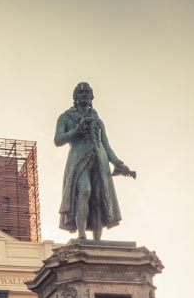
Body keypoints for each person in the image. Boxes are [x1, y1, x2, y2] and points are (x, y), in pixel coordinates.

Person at [55, 82, 135, 241]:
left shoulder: (98, 121)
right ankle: (82, 234)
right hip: (79, 159)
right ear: (75, 98)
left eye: (86, 94)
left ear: (91, 97)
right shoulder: (65, 117)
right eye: (80, 94)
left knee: (99, 198)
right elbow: (58, 140)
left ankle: (97, 240)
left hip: (100, 159)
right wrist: (77, 130)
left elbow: (106, 145)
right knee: (84, 191)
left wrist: (118, 163)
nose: (83, 96)